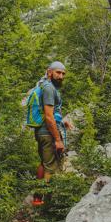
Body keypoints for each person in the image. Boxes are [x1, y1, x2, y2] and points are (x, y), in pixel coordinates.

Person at [33, 61, 71, 205]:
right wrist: (57, 139)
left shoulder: (47, 87)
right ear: (49, 72)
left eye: (63, 74)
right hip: (47, 133)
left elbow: (52, 114)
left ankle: (38, 197)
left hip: (43, 132)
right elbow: (49, 117)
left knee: (44, 162)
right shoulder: (49, 88)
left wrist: (63, 122)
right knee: (51, 167)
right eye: (58, 72)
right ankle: (45, 203)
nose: (61, 76)